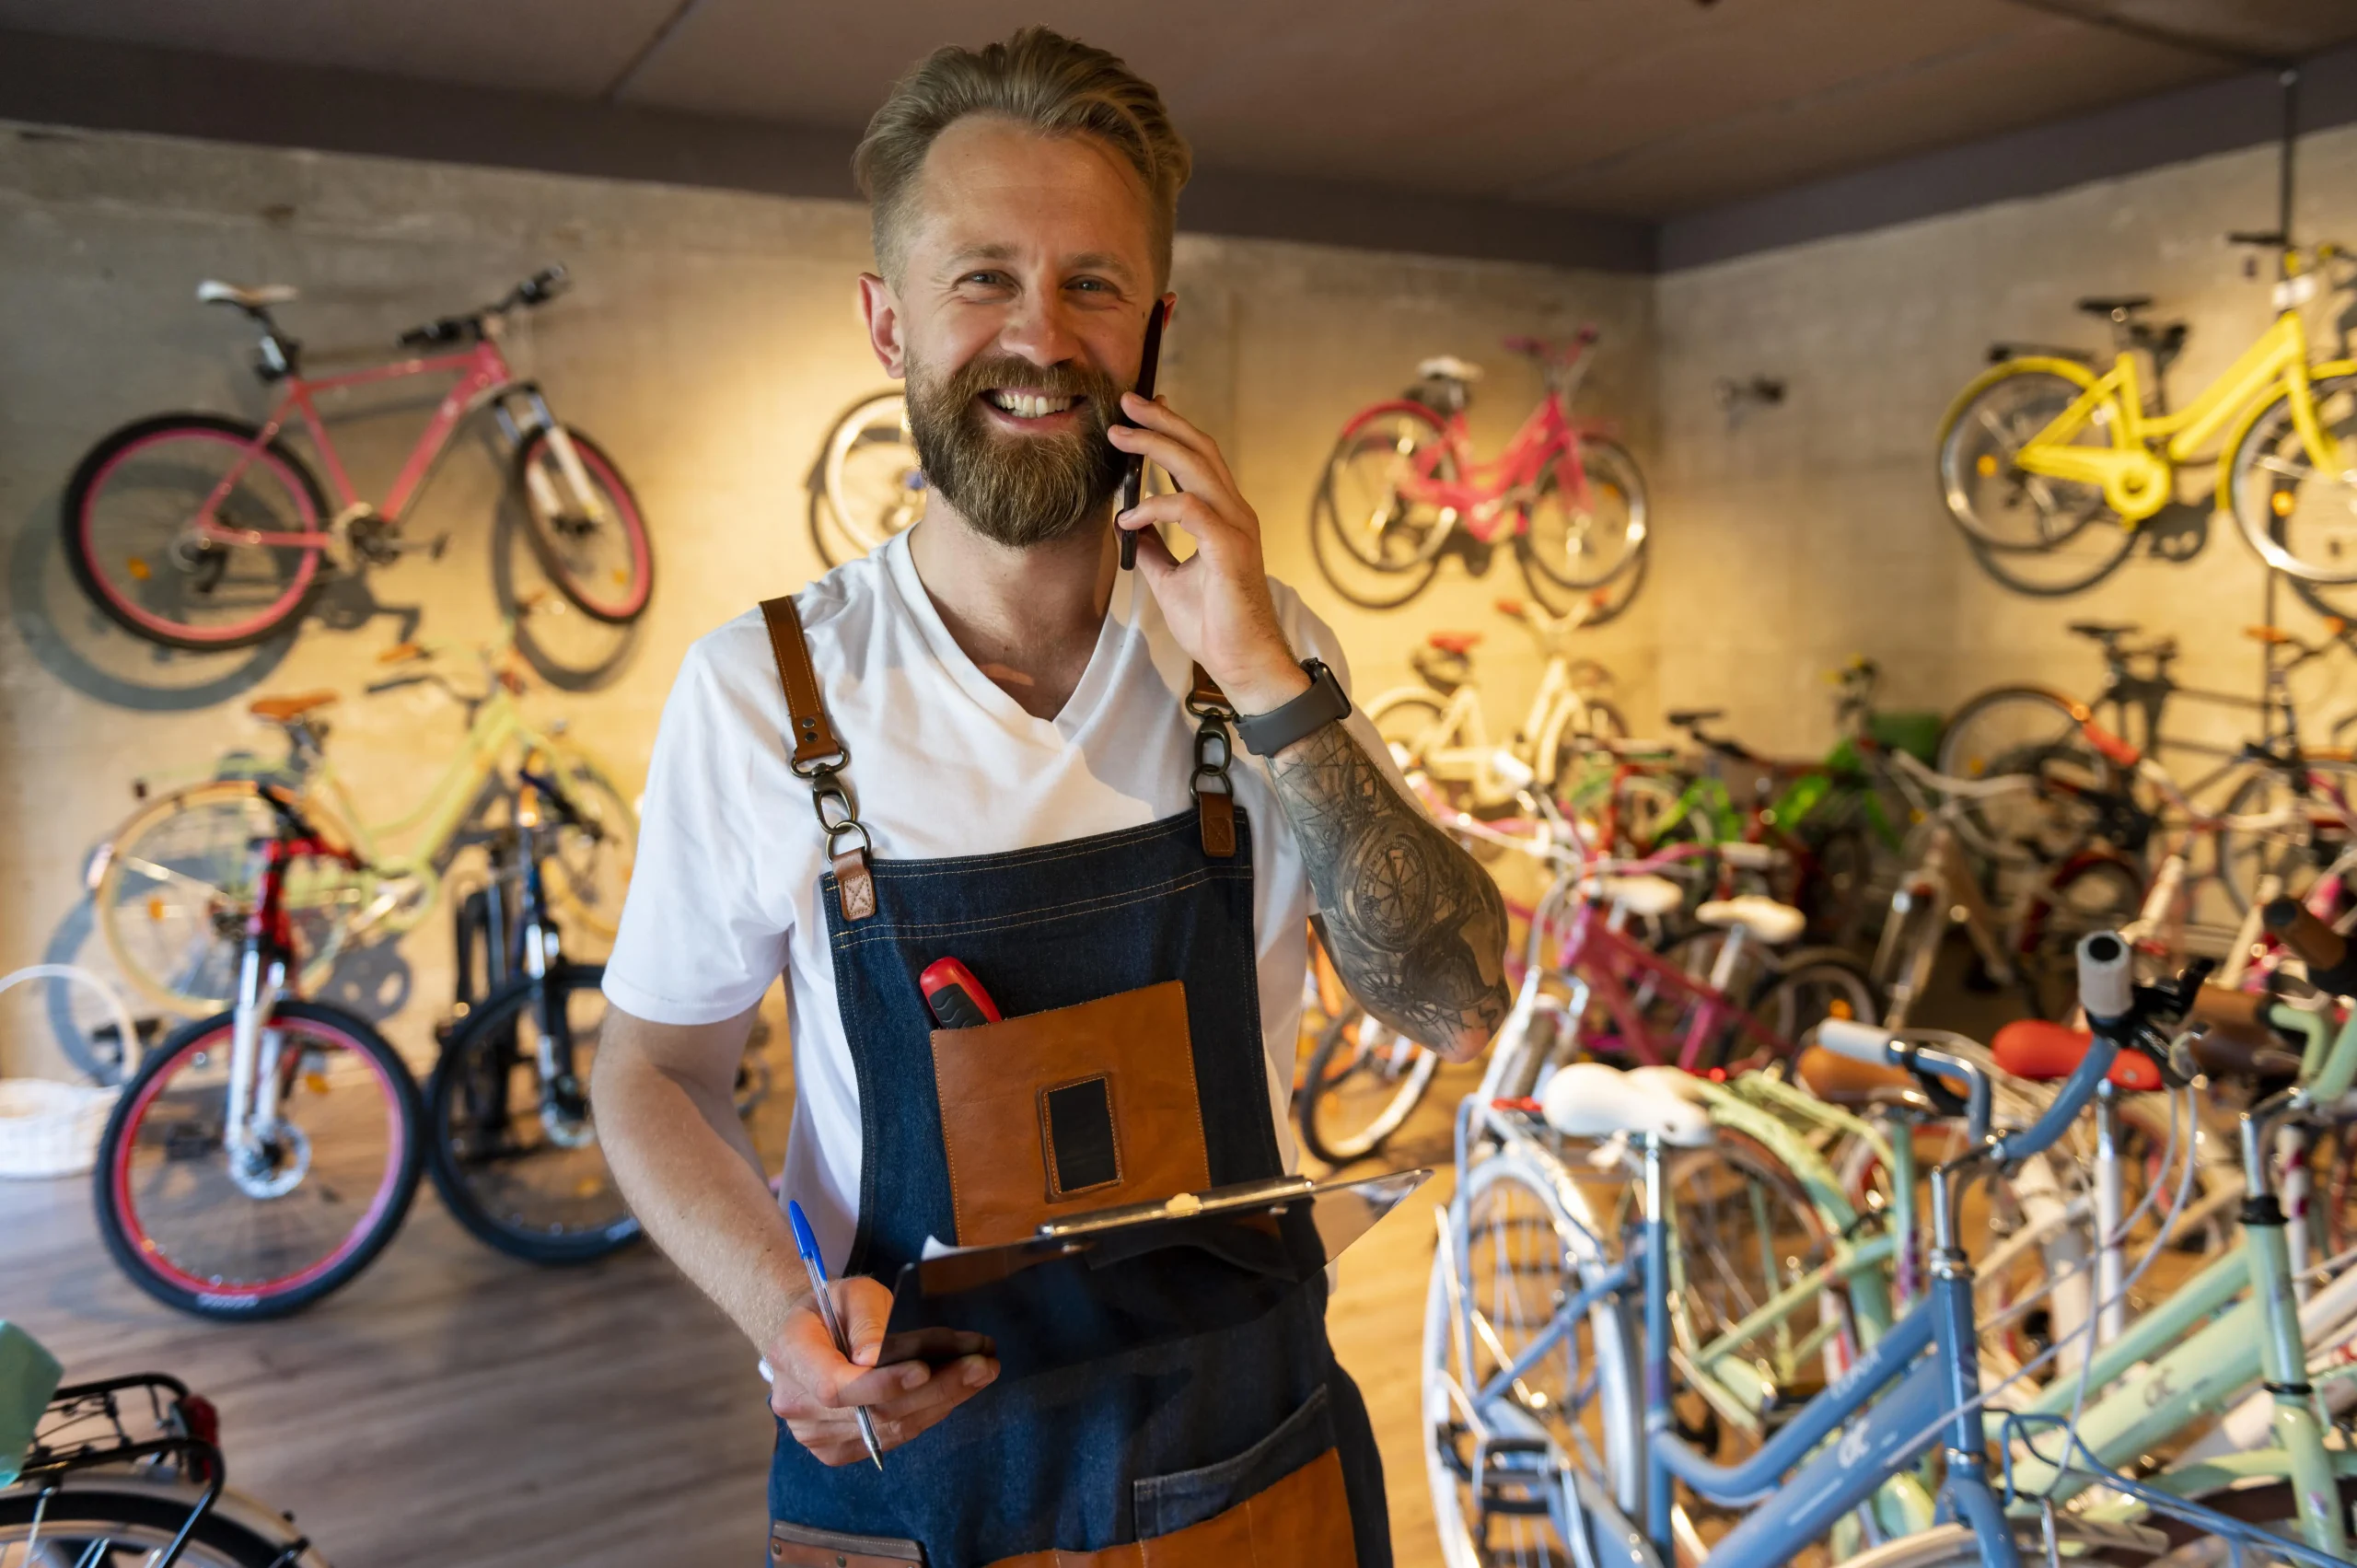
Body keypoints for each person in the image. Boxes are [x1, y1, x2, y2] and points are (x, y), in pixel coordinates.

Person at [593, 27, 1509, 1568]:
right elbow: (654, 1070)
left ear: (1155, 323)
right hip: (915, 1460)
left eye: (1093, 283)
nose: (1041, 334)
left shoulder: (1263, 661)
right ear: (887, 321)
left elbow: (1456, 998)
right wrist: (783, 1316)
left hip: (1249, 1454)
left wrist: (1268, 667)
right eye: (981, 278)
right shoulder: (765, 694)